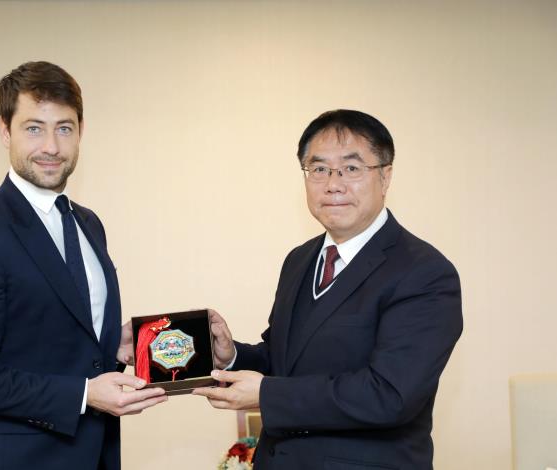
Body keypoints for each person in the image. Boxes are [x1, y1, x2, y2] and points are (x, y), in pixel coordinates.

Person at [194, 110, 462, 469]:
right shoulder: (299, 259)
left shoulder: (424, 272)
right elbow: (285, 360)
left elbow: (389, 395)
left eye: (351, 168)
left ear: (385, 176)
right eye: (319, 169)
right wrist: (231, 356)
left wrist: (267, 394)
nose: (333, 184)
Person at [0, 61, 166, 470]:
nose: (52, 147)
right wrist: (84, 395)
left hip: (96, 455)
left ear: (81, 131)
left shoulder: (89, 223)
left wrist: (111, 344)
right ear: (5, 131)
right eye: (33, 128)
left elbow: (60, 335)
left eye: (64, 128)